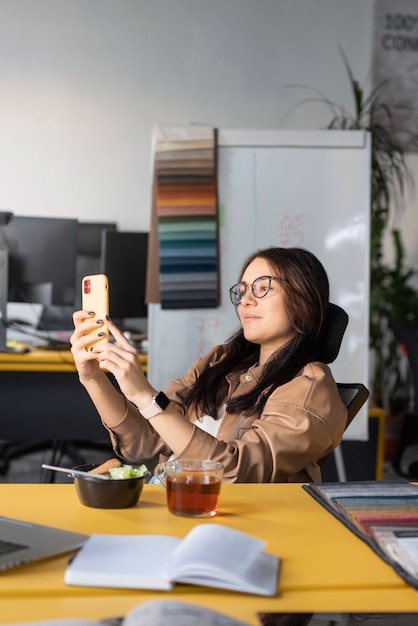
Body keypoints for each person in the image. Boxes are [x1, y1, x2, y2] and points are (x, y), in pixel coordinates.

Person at [70, 246, 347, 483]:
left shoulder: (309, 384)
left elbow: (234, 473)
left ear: (303, 300)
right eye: (242, 291)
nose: (246, 301)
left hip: (236, 527)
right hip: (171, 503)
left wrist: (146, 398)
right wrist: (93, 378)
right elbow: (142, 440)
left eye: (263, 288)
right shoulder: (222, 361)